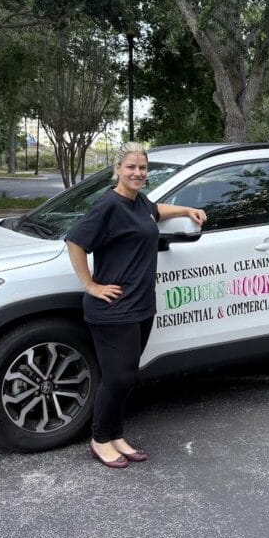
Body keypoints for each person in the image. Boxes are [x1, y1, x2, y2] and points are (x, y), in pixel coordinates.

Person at [65, 142, 206, 469]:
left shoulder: (139, 202)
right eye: (131, 167)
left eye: (142, 168)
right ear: (117, 169)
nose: (138, 173)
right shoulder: (108, 206)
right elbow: (75, 241)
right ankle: (100, 439)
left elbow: (157, 211)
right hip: (114, 309)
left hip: (141, 306)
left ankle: (116, 435)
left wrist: (186, 210)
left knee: (127, 377)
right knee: (116, 378)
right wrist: (90, 285)